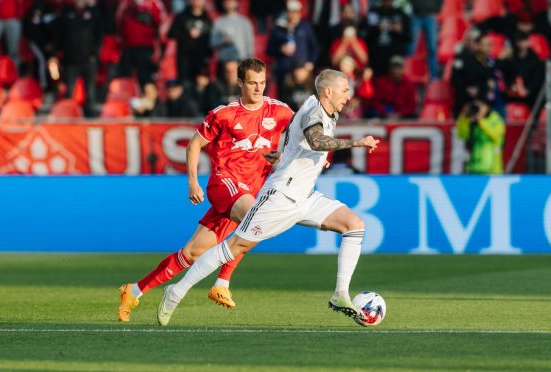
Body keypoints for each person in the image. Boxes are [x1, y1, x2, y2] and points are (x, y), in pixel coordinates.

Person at [156, 69, 380, 326]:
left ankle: (340, 294)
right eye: (344, 90)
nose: (348, 95)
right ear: (327, 91)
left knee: (354, 225)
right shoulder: (314, 111)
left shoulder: (328, 111)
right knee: (234, 248)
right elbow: (316, 141)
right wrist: (356, 143)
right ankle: (176, 291)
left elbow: (296, 137)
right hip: (280, 196)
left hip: (305, 198)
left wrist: (289, 156)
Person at [118, 58, 293, 322]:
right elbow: (194, 145)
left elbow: (300, 135)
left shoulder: (279, 111)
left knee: (190, 253)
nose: (259, 89)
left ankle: (134, 290)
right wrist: (192, 182)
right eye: (253, 83)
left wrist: (284, 155)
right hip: (225, 183)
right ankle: (222, 283)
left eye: (263, 83)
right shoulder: (224, 114)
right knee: (257, 220)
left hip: (249, 192)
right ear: (239, 83)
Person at [54, 0, 103, 117]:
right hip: (71, 60)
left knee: (90, 91)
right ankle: (68, 114)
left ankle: (90, 117)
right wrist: (60, 53)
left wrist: (94, 54)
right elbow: (59, 34)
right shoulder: (66, 13)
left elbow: (99, 35)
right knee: (69, 90)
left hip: (89, 60)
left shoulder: (94, 13)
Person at [168, 0, 212, 87]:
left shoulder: (207, 18)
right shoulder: (181, 16)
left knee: (200, 87)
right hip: (184, 61)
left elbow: (210, 39)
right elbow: (171, 33)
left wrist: (208, 56)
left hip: (201, 61)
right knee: (185, 87)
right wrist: (187, 33)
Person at [456, 99, 505, 174]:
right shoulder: (471, 120)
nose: (478, 109)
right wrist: (464, 118)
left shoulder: (496, 119)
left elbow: (496, 136)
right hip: (473, 166)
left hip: (492, 168)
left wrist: (481, 121)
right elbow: (462, 135)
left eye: (480, 106)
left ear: (487, 107)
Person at [210, 0, 254, 75]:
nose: (229, 3)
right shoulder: (218, 22)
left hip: (240, 61)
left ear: (236, 3)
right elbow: (212, 43)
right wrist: (222, 40)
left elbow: (249, 44)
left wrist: (248, 62)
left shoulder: (244, 22)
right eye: (227, 1)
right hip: (223, 61)